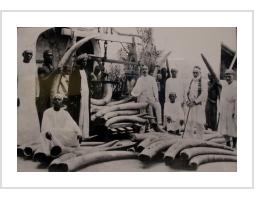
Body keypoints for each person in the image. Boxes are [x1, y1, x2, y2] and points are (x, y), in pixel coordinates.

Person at [131, 65, 162, 130]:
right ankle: (144, 126)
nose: (145, 71)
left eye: (146, 69)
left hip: (150, 98)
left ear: (148, 70)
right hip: (142, 98)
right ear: (142, 71)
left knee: (157, 106)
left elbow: (155, 89)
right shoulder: (140, 79)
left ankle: (158, 124)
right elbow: (136, 89)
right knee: (143, 111)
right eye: (143, 69)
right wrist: (134, 94)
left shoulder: (152, 78)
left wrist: (156, 97)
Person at [184, 66, 207, 138]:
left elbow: (204, 94)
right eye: (194, 72)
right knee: (189, 121)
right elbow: (185, 92)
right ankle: (189, 138)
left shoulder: (203, 82)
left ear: (200, 73)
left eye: (196, 73)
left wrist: (195, 102)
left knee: (199, 122)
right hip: (190, 105)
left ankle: (199, 139)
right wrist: (187, 101)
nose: (195, 74)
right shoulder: (190, 81)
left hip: (198, 105)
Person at [218, 69, 237, 148]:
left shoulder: (236, 86)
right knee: (224, 128)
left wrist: (235, 111)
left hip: (232, 108)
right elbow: (222, 98)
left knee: (233, 127)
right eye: (226, 76)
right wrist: (220, 110)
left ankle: (234, 144)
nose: (228, 78)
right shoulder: (224, 85)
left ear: (233, 76)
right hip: (224, 109)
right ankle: (228, 143)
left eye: (229, 76)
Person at [37, 50, 56, 124]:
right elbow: (43, 80)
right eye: (48, 55)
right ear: (44, 57)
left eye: (51, 55)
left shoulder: (52, 67)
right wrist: (54, 73)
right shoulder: (41, 68)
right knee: (43, 114)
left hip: (51, 93)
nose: (50, 57)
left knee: (51, 113)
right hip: (43, 94)